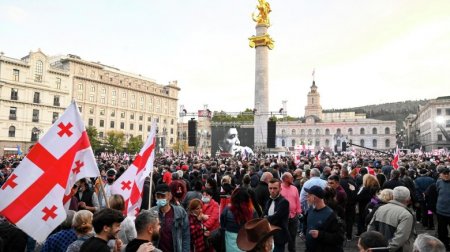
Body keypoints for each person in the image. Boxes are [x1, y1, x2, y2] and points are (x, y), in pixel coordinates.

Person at [367, 186, 416, 252]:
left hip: (381, 247)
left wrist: (376, 246)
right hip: (398, 249)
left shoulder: (380, 208)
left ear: (393, 196)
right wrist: (388, 249)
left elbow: (371, 228)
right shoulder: (406, 214)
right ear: (408, 199)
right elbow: (401, 236)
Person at [150, 183, 190, 252]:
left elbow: (185, 236)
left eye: (163, 196)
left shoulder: (180, 212)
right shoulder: (151, 213)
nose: (160, 199)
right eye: (158, 196)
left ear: (169, 196)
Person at [303, 185, 345, 252]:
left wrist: (320, 234)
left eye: (309, 196)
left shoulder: (331, 215)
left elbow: (339, 238)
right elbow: (307, 226)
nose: (306, 198)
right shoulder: (310, 210)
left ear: (315, 198)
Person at [220, 187, 258, 252]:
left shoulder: (227, 210)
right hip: (246, 244)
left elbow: (222, 225)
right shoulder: (252, 211)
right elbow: (255, 228)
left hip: (230, 243)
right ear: (247, 199)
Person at [265, 178, 290, 252]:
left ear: (280, 189)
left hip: (279, 237)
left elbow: (276, 218)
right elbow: (264, 214)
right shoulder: (268, 201)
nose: (272, 191)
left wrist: (267, 218)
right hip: (268, 235)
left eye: (275, 188)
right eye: (270, 188)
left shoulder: (284, 202)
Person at [280, 173, 301, 252]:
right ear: (285, 179)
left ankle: (292, 250)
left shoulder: (294, 188)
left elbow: (297, 200)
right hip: (282, 217)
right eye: (291, 177)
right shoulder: (279, 188)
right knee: (281, 236)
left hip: (293, 216)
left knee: (293, 236)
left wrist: (298, 211)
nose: (293, 178)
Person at [435, 167, 450, 250]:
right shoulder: (439, 182)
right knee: (442, 231)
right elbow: (438, 192)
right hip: (441, 211)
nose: (447, 175)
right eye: (444, 174)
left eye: (448, 173)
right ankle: (444, 245)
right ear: (441, 175)